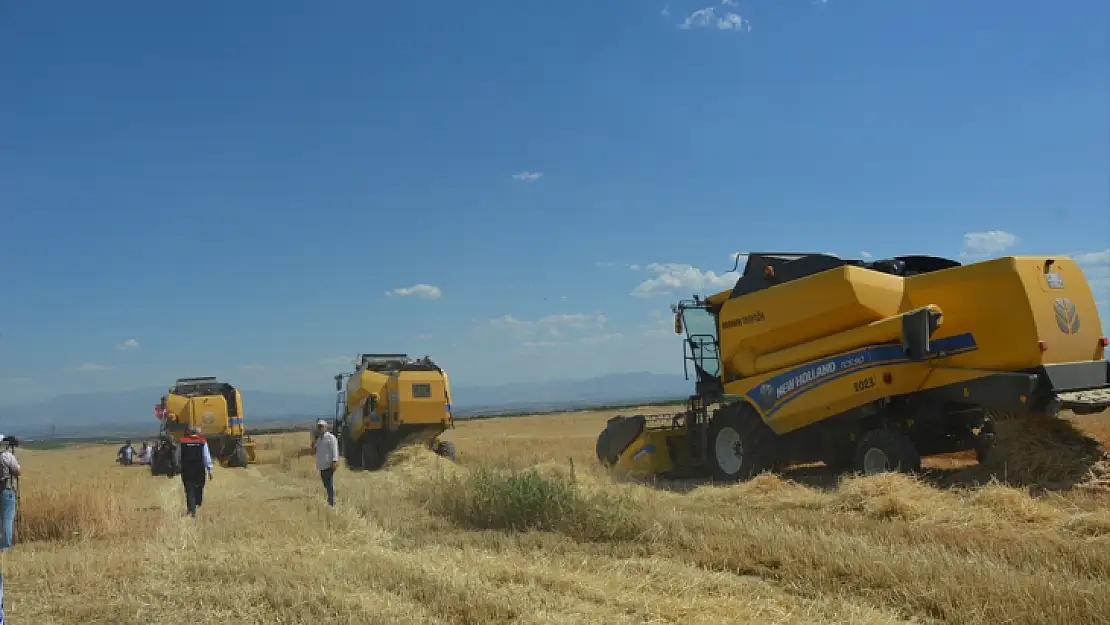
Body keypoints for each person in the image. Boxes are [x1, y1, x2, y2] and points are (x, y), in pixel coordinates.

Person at [174, 426, 213, 517]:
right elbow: (206, 456)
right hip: (199, 468)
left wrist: (177, 466)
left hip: (187, 469)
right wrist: (210, 469)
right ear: (198, 433)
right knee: (199, 485)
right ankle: (197, 502)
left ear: (189, 432)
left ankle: (191, 509)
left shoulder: (182, 441)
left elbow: (177, 455)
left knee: (189, 488)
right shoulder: (202, 441)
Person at [310, 419, 339, 506]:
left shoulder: (331, 438)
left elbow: (335, 450)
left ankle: (332, 501)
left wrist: (334, 461)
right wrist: (313, 446)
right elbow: (313, 453)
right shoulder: (318, 440)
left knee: (329, 483)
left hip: (329, 464)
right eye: (318, 427)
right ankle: (330, 497)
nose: (320, 428)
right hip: (321, 465)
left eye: (321, 426)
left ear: (326, 427)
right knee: (325, 483)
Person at [0, 435, 20, 551]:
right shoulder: (6, 456)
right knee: (7, 518)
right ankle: (6, 546)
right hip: (7, 490)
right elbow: (18, 471)